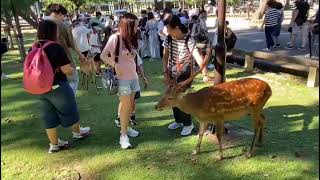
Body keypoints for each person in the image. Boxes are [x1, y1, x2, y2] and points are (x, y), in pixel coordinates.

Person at [33, 20, 90, 153]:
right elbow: (66, 70)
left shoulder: (34, 47)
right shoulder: (55, 47)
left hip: (41, 87)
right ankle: (77, 132)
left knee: (48, 116)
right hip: (57, 85)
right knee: (70, 108)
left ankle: (54, 144)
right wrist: (72, 68)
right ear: (53, 31)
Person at [163, 15, 209, 136]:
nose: (167, 32)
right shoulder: (168, 39)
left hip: (185, 73)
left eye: (169, 29)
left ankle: (188, 124)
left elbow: (197, 57)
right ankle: (178, 121)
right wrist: (165, 72)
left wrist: (204, 73)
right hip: (172, 71)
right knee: (172, 96)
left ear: (177, 28)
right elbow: (165, 56)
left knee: (183, 98)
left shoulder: (189, 39)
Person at [100, 13, 141, 149]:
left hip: (133, 76)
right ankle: (123, 136)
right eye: (134, 25)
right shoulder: (115, 38)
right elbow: (103, 55)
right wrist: (115, 64)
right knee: (125, 105)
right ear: (127, 26)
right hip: (122, 78)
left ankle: (126, 127)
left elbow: (132, 57)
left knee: (129, 106)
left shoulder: (131, 39)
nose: (137, 28)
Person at [46, 4, 86, 95]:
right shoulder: (62, 25)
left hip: (48, 63)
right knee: (73, 79)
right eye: (64, 16)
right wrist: (81, 56)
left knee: (55, 85)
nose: (64, 18)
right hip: (64, 60)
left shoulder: (42, 25)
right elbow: (72, 44)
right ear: (60, 13)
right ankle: (69, 102)